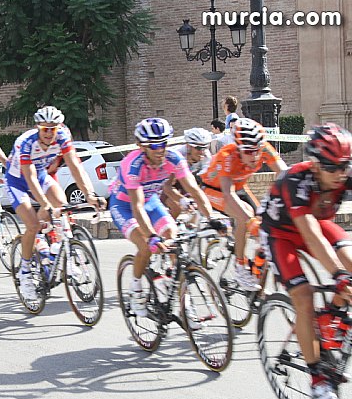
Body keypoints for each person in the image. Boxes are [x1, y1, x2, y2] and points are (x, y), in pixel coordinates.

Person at [258, 123, 352, 399]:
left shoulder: (344, 174)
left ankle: (329, 324)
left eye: (345, 166)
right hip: (281, 233)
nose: (340, 174)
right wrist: (338, 276)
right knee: (304, 295)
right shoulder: (295, 181)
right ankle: (318, 382)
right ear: (314, 164)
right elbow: (310, 234)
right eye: (331, 167)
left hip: (316, 223)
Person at [109, 118, 215, 317]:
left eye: (164, 143)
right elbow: (137, 206)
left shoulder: (174, 158)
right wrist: (151, 236)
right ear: (142, 146)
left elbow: (194, 189)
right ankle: (136, 289)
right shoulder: (132, 164)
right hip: (124, 205)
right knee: (145, 245)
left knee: (172, 237)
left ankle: (179, 293)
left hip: (151, 201)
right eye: (155, 145)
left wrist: (211, 218)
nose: (160, 149)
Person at [5, 105, 105, 301]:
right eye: (45, 129)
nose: (50, 133)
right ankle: (24, 272)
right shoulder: (25, 142)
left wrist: (90, 195)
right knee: (32, 225)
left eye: (54, 128)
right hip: (18, 180)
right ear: (37, 128)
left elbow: (75, 166)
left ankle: (55, 247)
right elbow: (30, 178)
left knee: (61, 204)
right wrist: (44, 203)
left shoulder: (62, 137)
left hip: (41, 175)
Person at [201, 118, 287, 291]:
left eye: (257, 150)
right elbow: (228, 193)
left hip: (240, 187)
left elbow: (285, 174)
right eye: (248, 151)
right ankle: (240, 266)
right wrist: (249, 221)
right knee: (246, 215)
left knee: (264, 223)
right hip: (214, 190)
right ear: (238, 147)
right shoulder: (227, 155)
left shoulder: (263, 148)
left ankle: (256, 269)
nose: (254, 156)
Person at [163, 127, 213, 217]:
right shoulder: (177, 156)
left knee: (196, 207)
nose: (202, 152)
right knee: (176, 206)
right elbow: (167, 187)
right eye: (198, 148)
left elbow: (199, 185)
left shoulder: (206, 156)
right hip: (165, 182)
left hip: (186, 180)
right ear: (188, 146)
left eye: (205, 147)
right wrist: (182, 200)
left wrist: (210, 217)